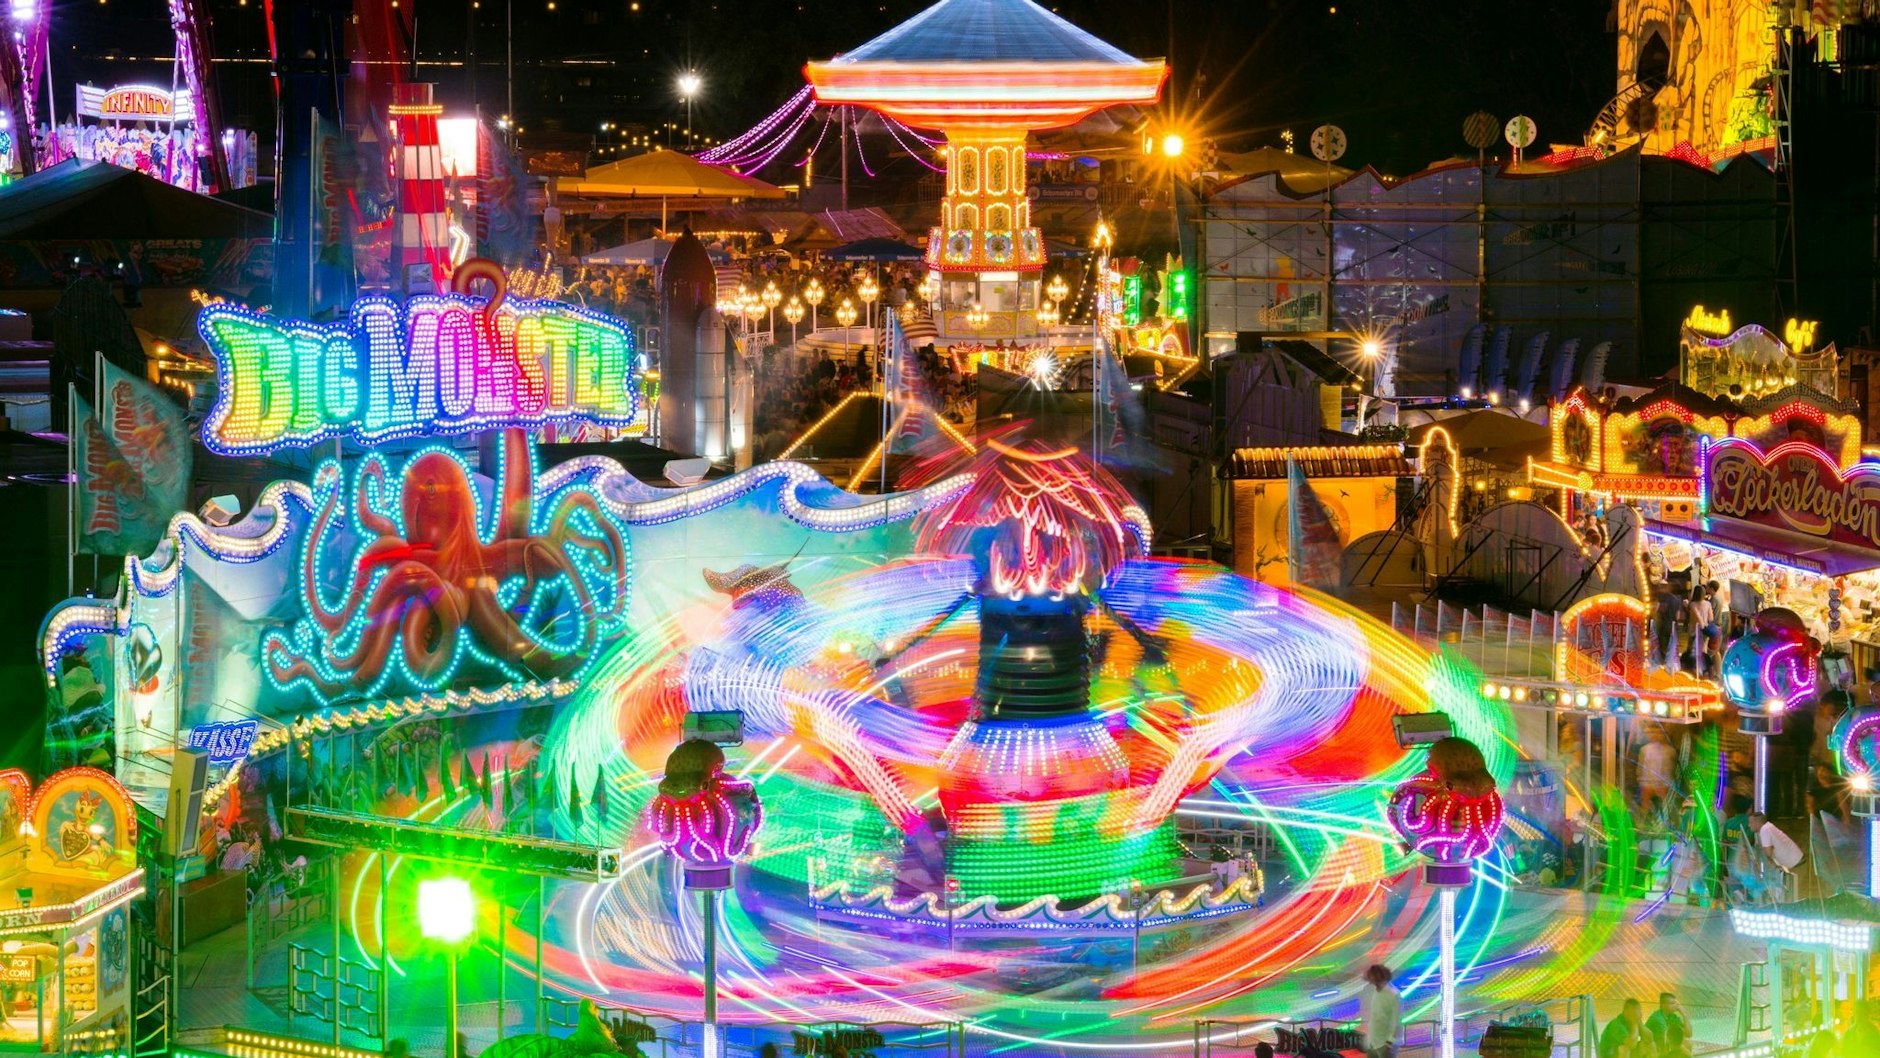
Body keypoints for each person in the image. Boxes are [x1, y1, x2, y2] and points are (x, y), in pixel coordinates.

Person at [1749, 811, 1804, 903]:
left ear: (1757, 823)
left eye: (1751, 823)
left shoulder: (1765, 830)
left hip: (1796, 865)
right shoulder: (1768, 827)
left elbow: (1768, 853)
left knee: (1796, 898)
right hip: (1796, 863)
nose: (1749, 825)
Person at [1358, 964, 1401, 1058]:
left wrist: (1389, 1042)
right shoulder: (1376, 990)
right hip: (1373, 1042)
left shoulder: (1393, 995)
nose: (1371, 981)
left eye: (1372, 978)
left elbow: (1396, 1022)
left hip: (1385, 1044)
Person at [1643, 992, 1691, 1058]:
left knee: (1687, 1043)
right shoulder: (1657, 1018)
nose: (1676, 1005)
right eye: (1673, 1003)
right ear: (1663, 1004)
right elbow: (1665, 1038)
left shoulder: (1672, 1016)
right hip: (1657, 1048)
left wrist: (1685, 1016)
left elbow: (1689, 1034)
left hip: (1666, 1045)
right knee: (1681, 1047)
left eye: (1676, 1003)